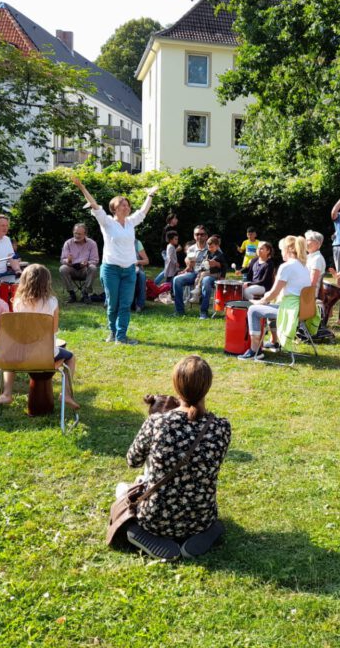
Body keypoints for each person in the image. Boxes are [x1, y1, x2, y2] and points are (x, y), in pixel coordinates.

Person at [123, 355, 231, 560]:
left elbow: (132, 461)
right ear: (207, 387)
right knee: (213, 524)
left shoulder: (157, 422)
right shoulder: (222, 427)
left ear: (176, 386)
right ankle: (206, 534)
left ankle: (138, 533)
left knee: (123, 491)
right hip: (201, 518)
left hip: (155, 519)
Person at [71, 175, 157, 344]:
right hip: (111, 269)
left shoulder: (131, 222)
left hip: (129, 270)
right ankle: (112, 332)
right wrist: (82, 187)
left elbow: (144, 211)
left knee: (125, 305)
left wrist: (150, 195)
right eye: (122, 205)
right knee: (113, 304)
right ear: (114, 208)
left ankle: (121, 336)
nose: (127, 207)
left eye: (127, 205)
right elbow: (94, 204)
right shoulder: (107, 222)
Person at [0, 264, 79, 410]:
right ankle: (66, 394)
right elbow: (54, 328)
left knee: (11, 357)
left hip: (21, 353)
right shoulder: (53, 302)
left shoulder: (18, 302)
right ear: (47, 282)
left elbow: (20, 329)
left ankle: (7, 393)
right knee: (70, 357)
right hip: (45, 354)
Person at [239, 235, 312, 360]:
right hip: (302, 310)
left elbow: (273, 293)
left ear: (288, 249)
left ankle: (254, 350)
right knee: (267, 307)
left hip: (291, 310)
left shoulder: (287, 266)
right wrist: (265, 300)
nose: (281, 252)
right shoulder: (303, 267)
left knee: (253, 311)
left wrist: (259, 302)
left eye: (282, 249)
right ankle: (274, 342)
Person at [171, 226, 216, 319]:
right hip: (194, 273)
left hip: (208, 273)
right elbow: (189, 265)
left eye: (202, 234)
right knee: (177, 279)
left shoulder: (212, 247)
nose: (199, 236)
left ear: (206, 236)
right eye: (197, 234)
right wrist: (186, 267)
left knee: (206, 281)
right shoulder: (191, 249)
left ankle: (203, 312)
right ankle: (179, 311)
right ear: (194, 236)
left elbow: (221, 263)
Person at [59, 223, 100, 303]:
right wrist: (67, 261)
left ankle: (85, 294)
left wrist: (87, 263)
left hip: (85, 269)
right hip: (72, 268)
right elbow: (62, 259)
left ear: (85, 234)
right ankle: (72, 294)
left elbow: (95, 260)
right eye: (75, 233)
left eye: (79, 234)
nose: (77, 235)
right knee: (62, 268)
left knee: (93, 268)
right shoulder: (68, 243)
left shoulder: (92, 243)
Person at [131, 238, 150, 312]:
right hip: (123, 268)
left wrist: (137, 261)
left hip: (137, 268)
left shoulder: (137, 243)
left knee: (142, 276)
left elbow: (146, 261)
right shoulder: (119, 241)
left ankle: (139, 305)